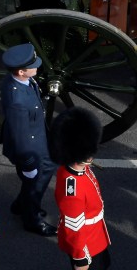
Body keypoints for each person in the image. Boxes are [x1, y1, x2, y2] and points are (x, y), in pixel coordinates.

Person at [0, 43, 58, 236]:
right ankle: (31, 219)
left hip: (36, 136)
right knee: (36, 179)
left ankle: (21, 205)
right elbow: (20, 135)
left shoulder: (17, 81)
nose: (37, 67)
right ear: (22, 71)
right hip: (29, 146)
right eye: (33, 66)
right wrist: (28, 163)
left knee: (45, 170)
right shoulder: (18, 102)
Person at [50, 108, 111, 270]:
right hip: (87, 245)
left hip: (96, 235)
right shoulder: (72, 189)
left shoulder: (75, 167)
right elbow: (74, 228)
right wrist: (81, 260)